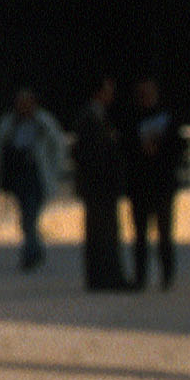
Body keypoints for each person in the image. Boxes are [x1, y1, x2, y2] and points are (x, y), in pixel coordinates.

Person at [0, 87, 66, 272]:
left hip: (37, 174)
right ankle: (33, 249)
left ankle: (32, 251)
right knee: (27, 216)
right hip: (18, 174)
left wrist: (55, 170)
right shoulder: (9, 124)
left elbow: (57, 146)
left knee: (30, 215)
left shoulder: (44, 123)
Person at [73, 75, 130, 290]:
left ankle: (102, 277)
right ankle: (106, 277)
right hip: (99, 186)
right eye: (108, 90)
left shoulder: (96, 116)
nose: (111, 95)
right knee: (103, 233)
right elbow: (91, 153)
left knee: (102, 232)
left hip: (99, 186)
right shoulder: (91, 118)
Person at [125, 75, 180, 290]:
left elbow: (178, 148)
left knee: (165, 234)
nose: (145, 97)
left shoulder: (168, 117)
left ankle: (167, 277)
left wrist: (159, 150)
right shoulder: (131, 118)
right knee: (140, 236)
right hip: (139, 186)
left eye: (149, 93)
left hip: (163, 185)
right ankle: (140, 278)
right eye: (142, 94)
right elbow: (126, 148)